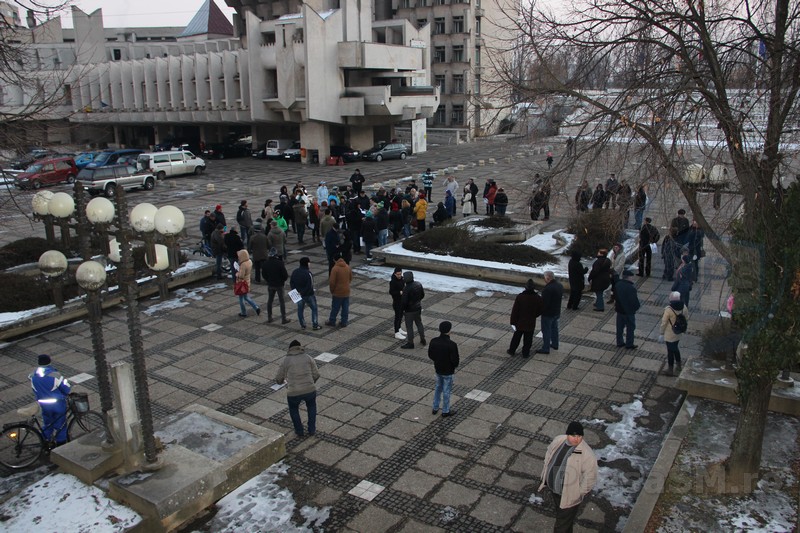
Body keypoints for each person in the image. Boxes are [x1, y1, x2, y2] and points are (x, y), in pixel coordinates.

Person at [538, 421, 598, 533]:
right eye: (573, 435)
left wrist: (578, 493)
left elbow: (590, 477)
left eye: (579, 436)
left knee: (561, 526)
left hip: (570, 495)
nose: (576, 439)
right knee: (565, 521)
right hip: (555, 491)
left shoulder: (587, 454)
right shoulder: (559, 440)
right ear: (567, 435)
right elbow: (549, 453)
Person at [275, 340, 320, 437]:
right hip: (310, 390)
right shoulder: (308, 358)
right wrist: (311, 382)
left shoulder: (286, 360)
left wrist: (280, 382)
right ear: (300, 347)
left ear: (290, 349)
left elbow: (279, 378)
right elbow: (316, 374)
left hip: (293, 392)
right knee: (312, 407)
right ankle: (311, 429)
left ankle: (299, 431)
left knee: (293, 409)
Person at [30, 354, 72, 444]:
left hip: (43, 404)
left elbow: (34, 389)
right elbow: (66, 388)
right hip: (57, 404)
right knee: (61, 424)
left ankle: (45, 441)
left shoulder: (33, 376)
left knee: (48, 424)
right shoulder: (55, 375)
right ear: (49, 362)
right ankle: (61, 443)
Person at [428, 321, 460, 417]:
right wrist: (453, 366)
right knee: (446, 391)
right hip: (448, 371)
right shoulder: (452, 344)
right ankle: (445, 410)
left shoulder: (433, 341)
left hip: (438, 368)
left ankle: (435, 407)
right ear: (449, 331)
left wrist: (437, 360)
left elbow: (430, 355)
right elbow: (455, 360)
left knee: (438, 388)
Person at [507, 279, 543, 358]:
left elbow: (515, 310)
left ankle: (512, 350)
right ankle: (525, 353)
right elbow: (540, 310)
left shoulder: (520, 297)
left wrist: (513, 322)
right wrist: (534, 315)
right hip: (530, 322)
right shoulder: (537, 298)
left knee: (516, 337)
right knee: (528, 339)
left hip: (520, 322)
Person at [659, 291, 688, 376]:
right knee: (675, 348)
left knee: (670, 351)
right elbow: (686, 318)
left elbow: (664, 322)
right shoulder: (684, 307)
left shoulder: (669, 310)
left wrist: (661, 333)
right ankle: (678, 366)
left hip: (670, 333)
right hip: (678, 332)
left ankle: (670, 369)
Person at [290, 257, 321, 330]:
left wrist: (296, 292)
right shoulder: (308, 273)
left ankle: (303, 325)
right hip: (308, 295)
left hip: (298, 294)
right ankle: (315, 324)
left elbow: (291, 283)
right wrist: (303, 292)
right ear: (307, 263)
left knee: (300, 310)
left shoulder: (295, 272)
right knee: (314, 308)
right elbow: (310, 285)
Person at [538, 271, 563, 354]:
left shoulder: (547, 289)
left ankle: (546, 348)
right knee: (554, 328)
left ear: (547, 278)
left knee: (546, 330)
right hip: (556, 311)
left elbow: (545, 303)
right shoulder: (559, 285)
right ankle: (555, 344)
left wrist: (539, 311)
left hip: (548, 313)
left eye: (545, 278)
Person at [264, 248, 290, 324]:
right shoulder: (280, 263)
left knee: (270, 301)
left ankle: (269, 317)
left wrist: (268, 280)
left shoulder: (266, 263)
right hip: (279, 285)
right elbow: (285, 275)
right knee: (282, 301)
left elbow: (264, 275)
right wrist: (282, 281)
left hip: (271, 284)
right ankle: (283, 318)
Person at [615, 270, 640, 349]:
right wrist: (636, 308)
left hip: (619, 310)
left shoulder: (618, 285)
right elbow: (634, 302)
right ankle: (629, 344)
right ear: (628, 277)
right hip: (629, 312)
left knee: (619, 328)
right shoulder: (631, 288)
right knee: (630, 328)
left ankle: (619, 342)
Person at [326, 252, 352, 327]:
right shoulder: (347, 266)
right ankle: (344, 322)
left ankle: (332, 320)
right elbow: (350, 278)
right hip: (346, 291)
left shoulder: (335, 269)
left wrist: (332, 290)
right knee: (345, 307)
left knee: (335, 307)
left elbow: (332, 282)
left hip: (338, 292)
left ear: (335, 260)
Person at [401, 271, 426, 349]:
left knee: (409, 327)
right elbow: (422, 295)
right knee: (419, 323)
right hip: (417, 308)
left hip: (409, 311)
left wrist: (403, 310)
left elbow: (404, 302)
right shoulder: (418, 284)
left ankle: (410, 343)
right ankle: (423, 339)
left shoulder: (406, 288)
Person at [235, 249, 261, 318]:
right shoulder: (249, 261)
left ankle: (243, 312)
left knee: (241, 299)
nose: (238, 257)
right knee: (246, 297)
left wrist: (237, 273)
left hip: (242, 283)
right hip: (247, 282)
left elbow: (241, 276)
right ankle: (256, 307)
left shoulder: (243, 264)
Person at [389, 267, 407, 340]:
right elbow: (391, 292)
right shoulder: (393, 281)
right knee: (397, 317)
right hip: (397, 302)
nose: (399, 275)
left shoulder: (402, 279)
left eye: (400, 274)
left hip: (402, 301)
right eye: (397, 274)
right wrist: (399, 292)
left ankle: (399, 328)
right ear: (395, 274)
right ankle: (396, 332)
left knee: (400, 316)